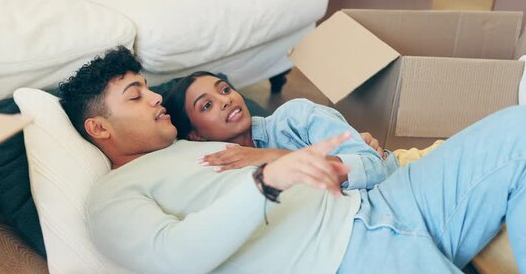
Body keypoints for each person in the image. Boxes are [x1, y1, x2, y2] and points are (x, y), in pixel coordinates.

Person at [58, 46, 525, 274]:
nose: (155, 98)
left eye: (149, 88)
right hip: (341, 269)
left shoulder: (192, 143)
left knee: (518, 130)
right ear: (99, 128)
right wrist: (266, 183)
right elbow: (175, 255)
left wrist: (352, 155)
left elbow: (303, 139)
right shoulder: (110, 199)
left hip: (387, 202)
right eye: (135, 96)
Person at [162, 71, 442, 183]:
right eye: (206, 105)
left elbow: (375, 167)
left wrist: (273, 157)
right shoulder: (215, 166)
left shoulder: (295, 118)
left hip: (412, 172)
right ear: (195, 135)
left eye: (224, 90)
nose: (225, 100)